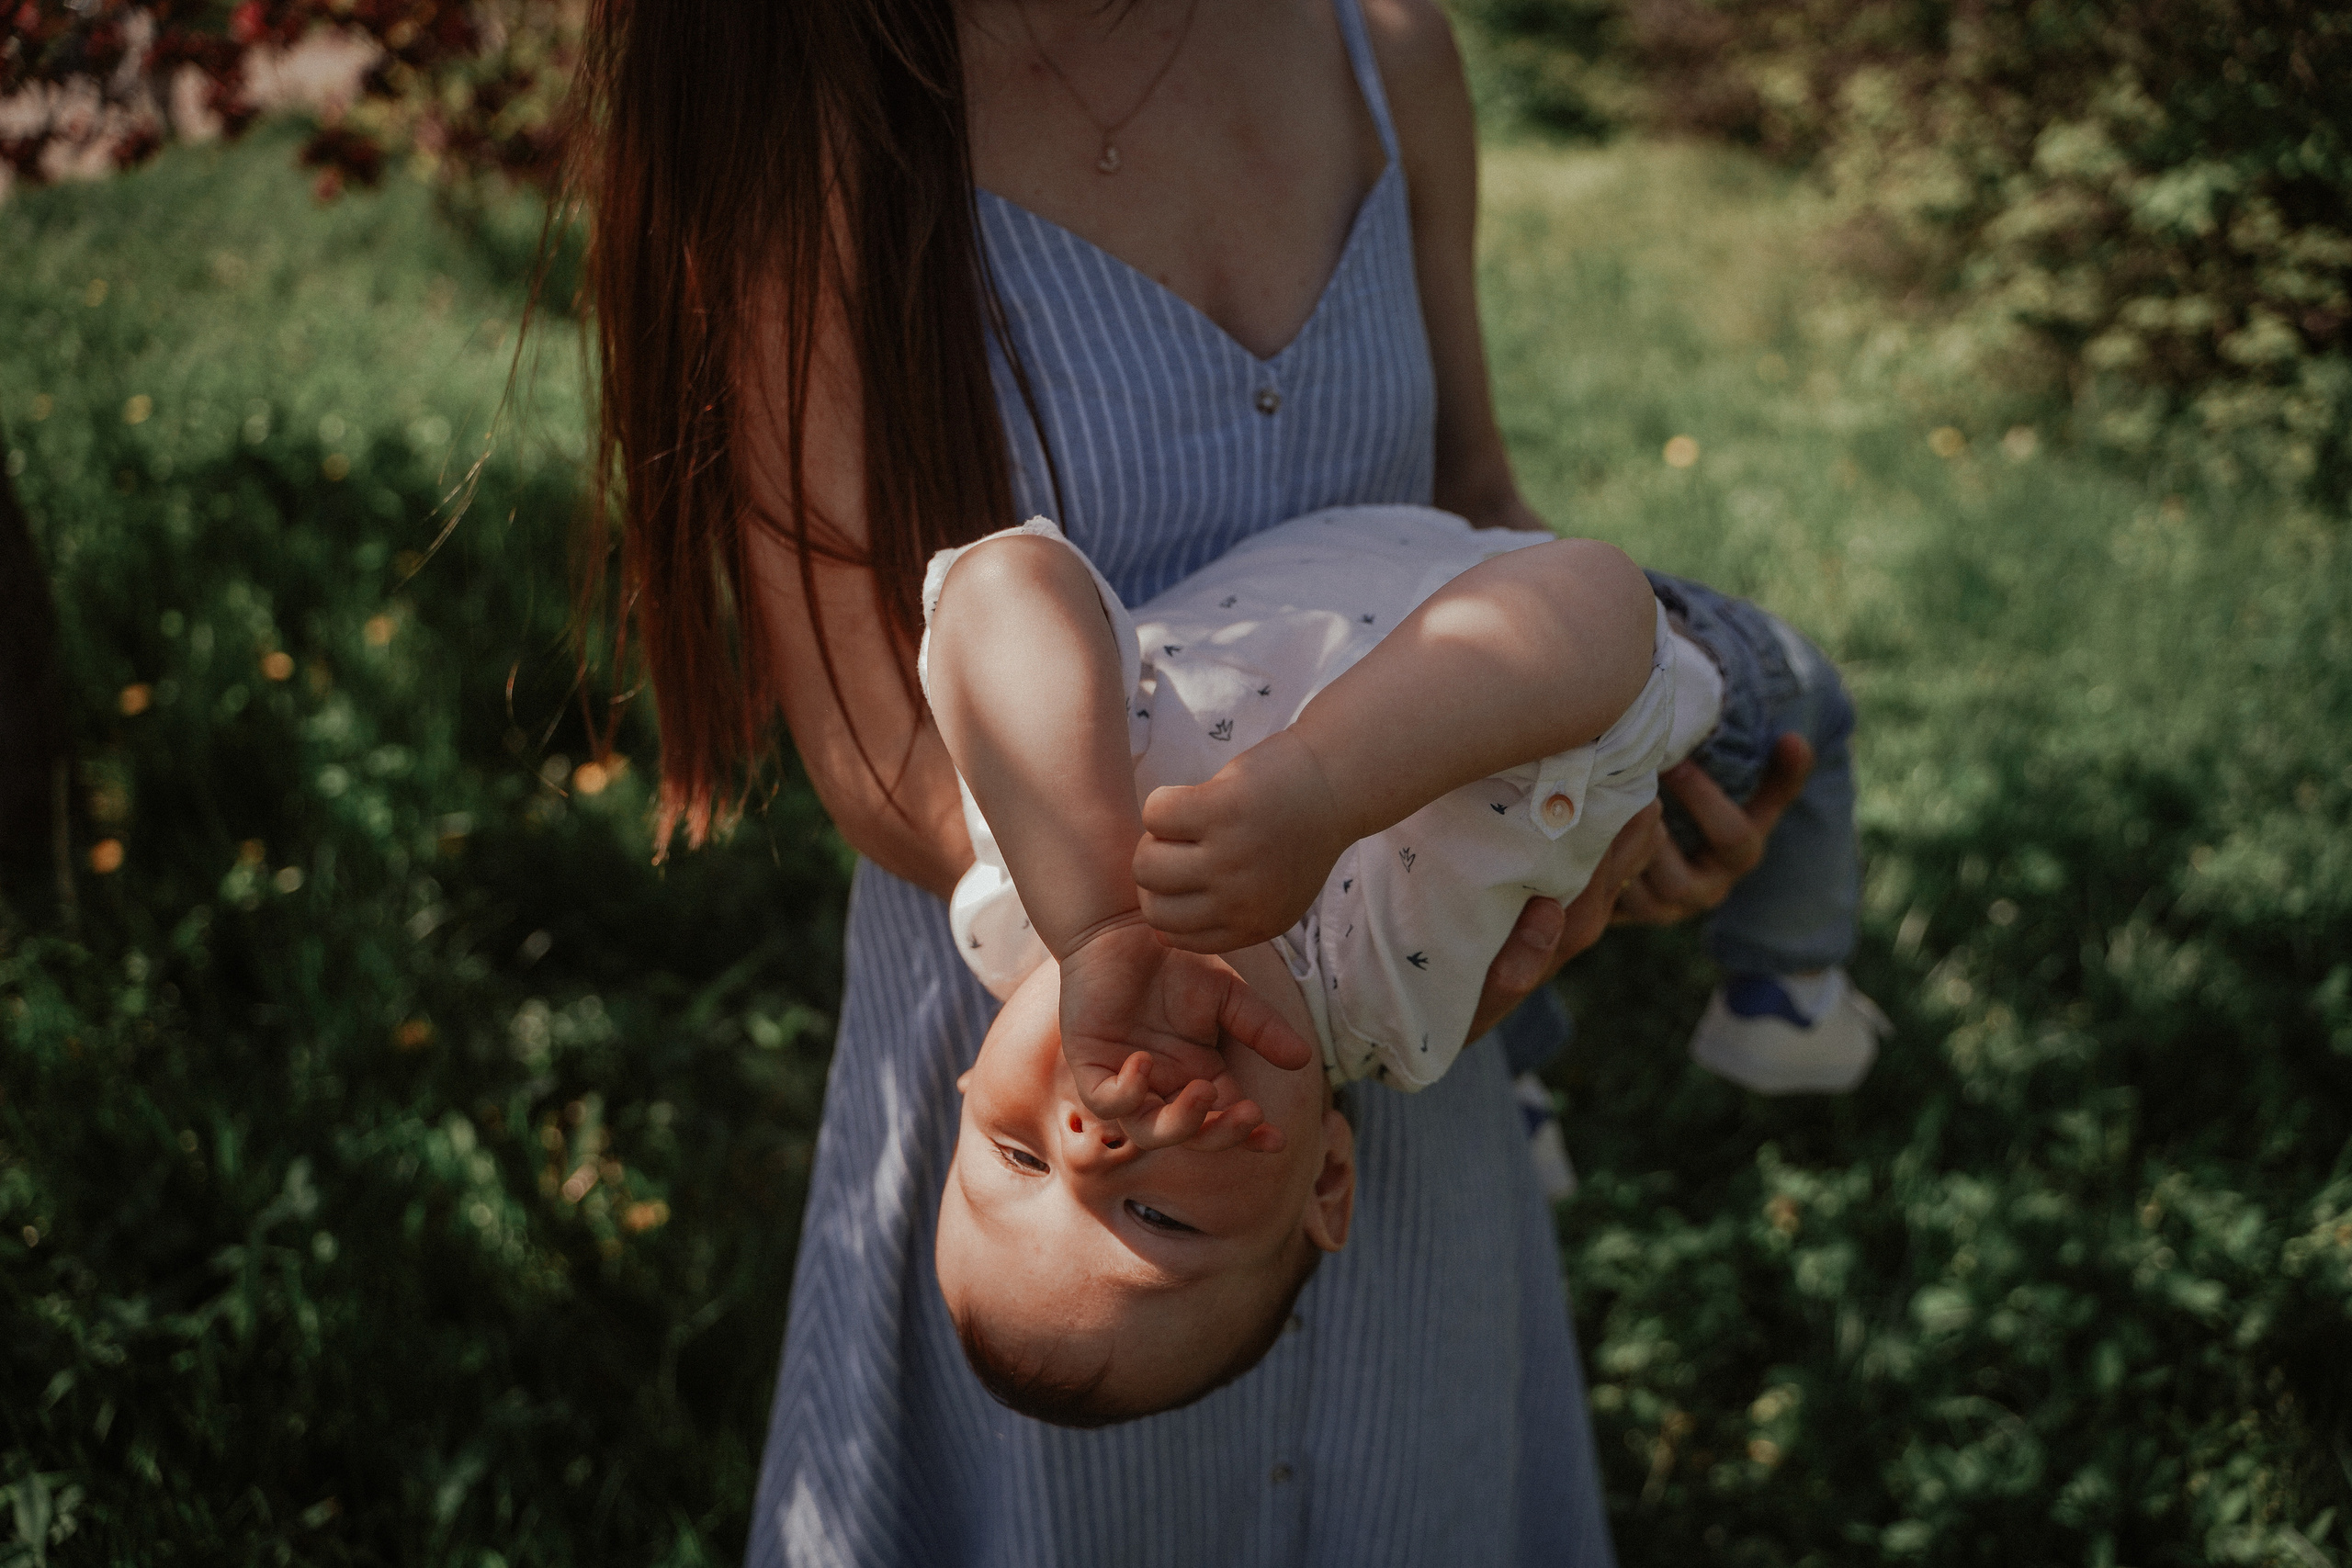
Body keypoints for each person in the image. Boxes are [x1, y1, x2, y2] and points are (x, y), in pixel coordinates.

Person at [571, 0, 1817, 1561]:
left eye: (1037, 1153)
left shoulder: (1384, 48)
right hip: (1181, 1002)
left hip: (1383, 1125)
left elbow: (1475, 504)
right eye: (1132, 1202)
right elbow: (873, 737)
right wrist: (1145, 930)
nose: (1098, 1146)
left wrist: (1602, 816)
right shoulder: (805, 95)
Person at [918, 504, 1879, 1426]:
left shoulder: (1026, 894)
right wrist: (1320, 790)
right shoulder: (1387, 971)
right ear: (1326, 1183)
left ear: (968, 1085)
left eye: (1018, 1154)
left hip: (1383, 548)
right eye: (1157, 1221)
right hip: (1643, 670)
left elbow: (1001, 581)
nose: (1093, 1142)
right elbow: (1593, 595)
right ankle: (1789, 983)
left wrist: (1097, 920)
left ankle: (1540, 1080)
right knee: (1810, 702)